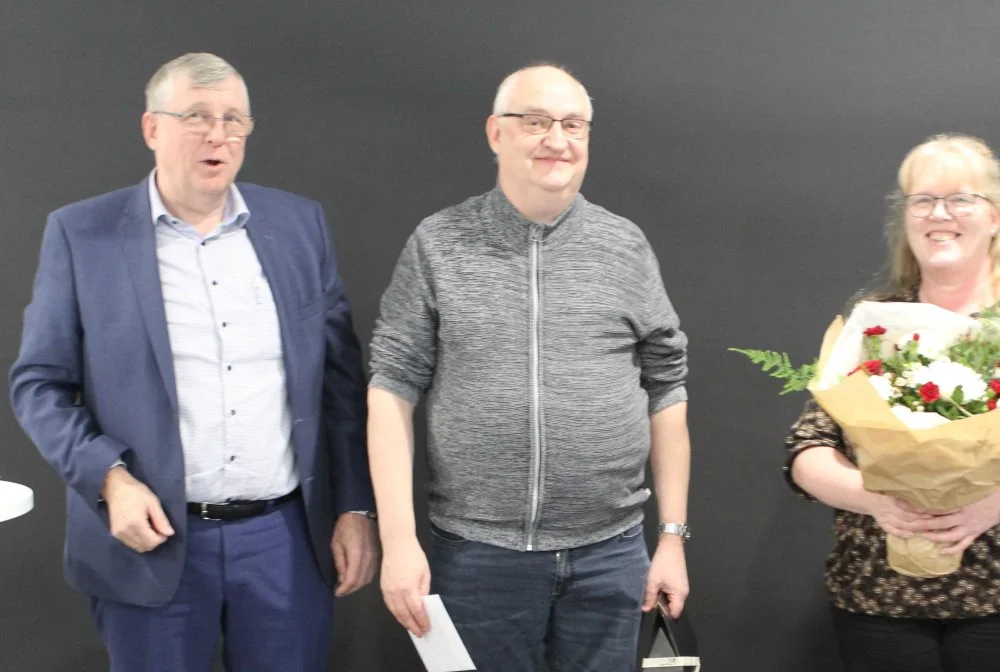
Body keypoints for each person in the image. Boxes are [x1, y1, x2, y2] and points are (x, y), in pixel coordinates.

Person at [9, 52, 377, 671]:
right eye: (197, 116)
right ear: (152, 128)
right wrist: (109, 480)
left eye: (235, 120)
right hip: (152, 542)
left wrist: (354, 506)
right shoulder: (82, 235)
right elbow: (38, 385)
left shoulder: (297, 225)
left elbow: (340, 382)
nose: (218, 134)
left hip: (286, 540)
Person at [367, 63, 692, 671]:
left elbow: (666, 388)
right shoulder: (438, 244)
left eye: (573, 124)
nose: (557, 139)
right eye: (536, 121)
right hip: (478, 558)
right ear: (496, 133)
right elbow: (391, 388)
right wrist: (397, 539)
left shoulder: (624, 246)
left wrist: (671, 536)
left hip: (611, 555)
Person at [784, 134, 1000, 672]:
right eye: (922, 201)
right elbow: (807, 449)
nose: (938, 214)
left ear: (995, 217)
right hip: (879, 599)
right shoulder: (876, 321)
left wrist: (997, 504)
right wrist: (871, 499)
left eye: (959, 199)